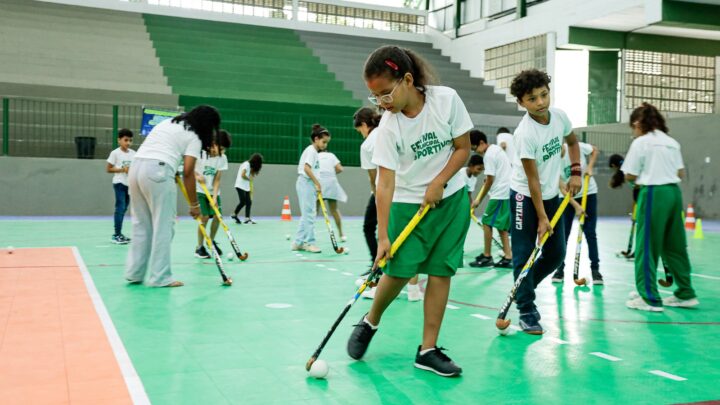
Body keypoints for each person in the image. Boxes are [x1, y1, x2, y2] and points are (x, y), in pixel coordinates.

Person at [346, 45, 472, 377]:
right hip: (406, 202)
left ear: (407, 79)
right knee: (399, 272)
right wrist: (383, 234)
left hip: (451, 198)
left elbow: (463, 148)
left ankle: (428, 349)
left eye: (386, 93)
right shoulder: (388, 127)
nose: (382, 103)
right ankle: (371, 320)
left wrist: (440, 181)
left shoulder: (446, 100)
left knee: (441, 271)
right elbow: (384, 184)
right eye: (376, 98)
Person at [508, 69, 582, 334]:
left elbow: (573, 142)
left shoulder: (559, 116)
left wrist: (575, 171)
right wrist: (541, 217)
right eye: (532, 99)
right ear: (521, 103)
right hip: (524, 196)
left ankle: (523, 288)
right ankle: (526, 309)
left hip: (550, 194)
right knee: (525, 253)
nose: (540, 102)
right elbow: (532, 181)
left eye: (544, 95)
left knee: (555, 253)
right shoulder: (525, 134)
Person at [125, 105, 220, 287]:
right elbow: (188, 171)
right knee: (163, 225)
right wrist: (194, 205)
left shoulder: (168, 123)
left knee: (141, 224)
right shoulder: (194, 136)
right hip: (158, 170)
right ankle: (160, 277)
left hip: (136, 168)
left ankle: (134, 273)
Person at [621, 102, 698, 311]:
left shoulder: (641, 143)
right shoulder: (671, 142)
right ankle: (685, 293)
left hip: (654, 192)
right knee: (675, 246)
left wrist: (637, 179)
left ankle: (649, 297)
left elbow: (629, 174)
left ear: (638, 123)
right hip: (673, 193)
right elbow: (681, 173)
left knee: (647, 246)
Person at [551, 141, 603, 284]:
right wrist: (576, 206)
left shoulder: (576, 146)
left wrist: (590, 167)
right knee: (563, 235)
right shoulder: (551, 160)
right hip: (567, 198)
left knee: (590, 233)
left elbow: (594, 150)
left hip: (588, 192)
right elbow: (562, 187)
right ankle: (559, 270)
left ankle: (596, 270)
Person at [469, 130, 513, 268]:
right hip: (504, 191)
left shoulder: (489, 155)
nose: (475, 152)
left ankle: (487, 256)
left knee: (487, 222)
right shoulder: (496, 149)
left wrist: (478, 200)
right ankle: (508, 256)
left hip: (500, 194)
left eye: (475, 148)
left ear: (481, 143)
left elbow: (489, 180)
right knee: (501, 227)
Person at [292, 124, 330, 253]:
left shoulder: (313, 152)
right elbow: (306, 168)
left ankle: (298, 242)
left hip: (307, 184)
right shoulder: (311, 151)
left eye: (326, 143)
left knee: (307, 214)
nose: (325, 145)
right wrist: (317, 183)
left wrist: (316, 184)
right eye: (324, 142)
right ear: (316, 139)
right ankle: (310, 242)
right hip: (306, 183)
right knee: (310, 215)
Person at [194, 130, 230, 259]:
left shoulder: (222, 158)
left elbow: (217, 179)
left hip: (212, 191)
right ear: (213, 143)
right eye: (219, 148)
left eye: (223, 150)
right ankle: (199, 247)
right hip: (199, 190)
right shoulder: (200, 153)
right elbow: (190, 168)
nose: (221, 152)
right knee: (204, 217)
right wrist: (197, 175)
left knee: (217, 217)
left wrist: (215, 197)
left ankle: (211, 242)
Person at [355, 107, 382, 270]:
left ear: (364, 125)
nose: (361, 134)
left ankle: (376, 266)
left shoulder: (367, 145)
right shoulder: (387, 131)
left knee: (369, 227)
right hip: (403, 189)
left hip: (383, 191)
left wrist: (378, 199)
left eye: (360, 131)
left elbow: (373, 178)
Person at [106, 128, 135, 244]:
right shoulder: (115, 153)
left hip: (129, 185)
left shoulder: (134, 154)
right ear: (119, 140)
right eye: (125, 140)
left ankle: (119, 234)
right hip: (119, 183)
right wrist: (123, 169)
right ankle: (116, 234)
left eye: (130, 140)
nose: (128, 143)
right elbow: (108, 169)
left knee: (123, 209)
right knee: (120, 207)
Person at [318, 150, 348, 241]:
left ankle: (308, 236)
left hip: (319, 183)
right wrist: (330, 173)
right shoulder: (331, 155)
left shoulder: (314, 155)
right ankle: (341, 234)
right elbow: (340, 168)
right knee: (334, 209)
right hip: (331, 183)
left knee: (314, 211)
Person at [232, 153, 263, 224]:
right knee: (243, 201)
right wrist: (249, 179)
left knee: (249, 202)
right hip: (240, 185)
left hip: (246, 186)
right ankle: (234, 214)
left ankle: (247, 218)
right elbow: (243, 175)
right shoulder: (246, 164)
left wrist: (252, 174)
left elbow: (251, 174)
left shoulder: (250, 166)